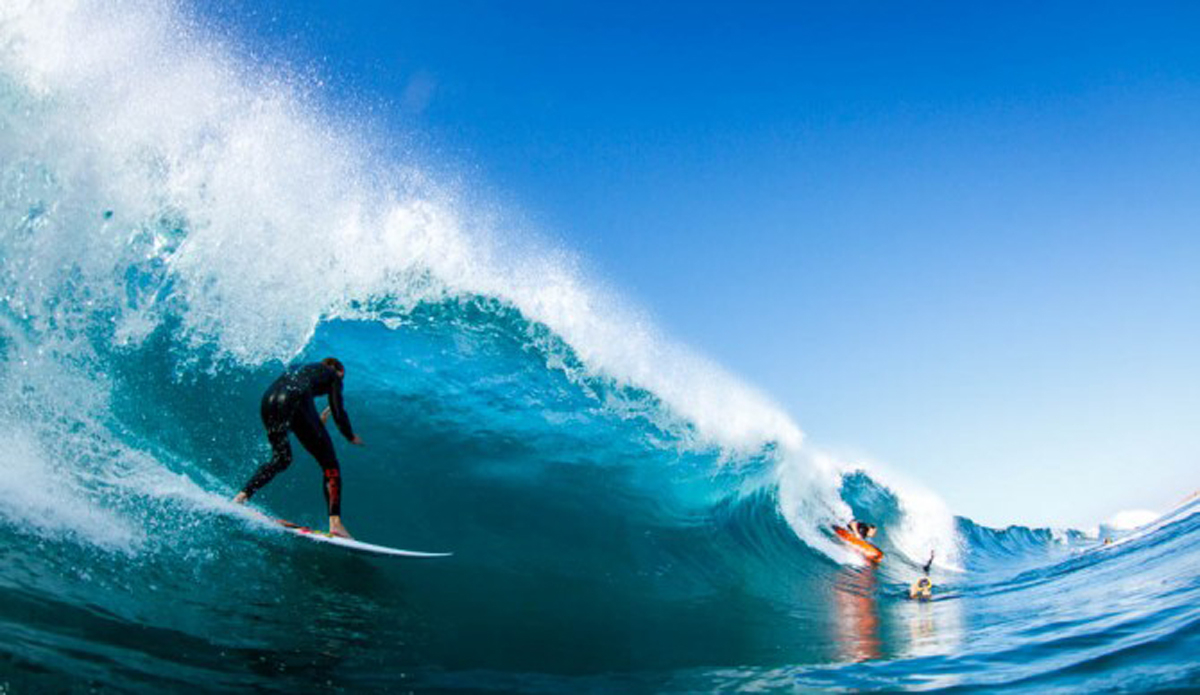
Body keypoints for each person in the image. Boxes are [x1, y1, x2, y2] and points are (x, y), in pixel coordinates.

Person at [233, 357, 364, 538]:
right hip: (295, 400)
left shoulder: (298, 368)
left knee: (281, 459)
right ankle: (335, 524)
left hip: (269, 400)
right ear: (339, 370)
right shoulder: (333, 375)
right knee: (330, 465)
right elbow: (338, 411)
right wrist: (349, 435)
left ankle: (240, 498)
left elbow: (294, 412)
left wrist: (315, 423)